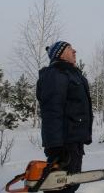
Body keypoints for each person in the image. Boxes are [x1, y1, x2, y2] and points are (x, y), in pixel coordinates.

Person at [36, 41, 93, 193]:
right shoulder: (56, 74)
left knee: (71, 184)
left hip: (74, 139)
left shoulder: (70, 74)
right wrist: (55, 146)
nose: (75, 51)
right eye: (70, 49)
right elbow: (51, 111)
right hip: (64, 142)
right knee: (60, 187)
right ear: (60, 53)